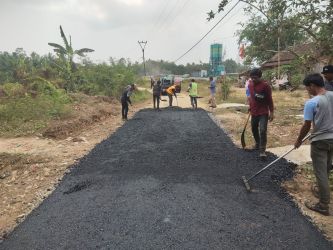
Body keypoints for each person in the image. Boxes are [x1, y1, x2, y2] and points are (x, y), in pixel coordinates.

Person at [294, 73, 333, 216]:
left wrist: (298, 140)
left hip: (320, 140)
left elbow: (306, 125)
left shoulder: (311, 102)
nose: (307, 91)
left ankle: (323, 204)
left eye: (307, 88)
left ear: (312, 85)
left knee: (320, 172)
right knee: (327, 166)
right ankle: (322, 190)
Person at [247, 68, 274, 159]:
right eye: (252, 78)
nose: (253, 80)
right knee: (254, 128)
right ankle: (257, 144)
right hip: (254, 111)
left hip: (263, 112)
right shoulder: (250, 85)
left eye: (255, 78)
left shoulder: (265, 86)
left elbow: (269, 99)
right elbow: (251, 97)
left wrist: (272, 112)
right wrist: (250, 107)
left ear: (260, 77)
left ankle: (262, 150)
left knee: (262, 130)